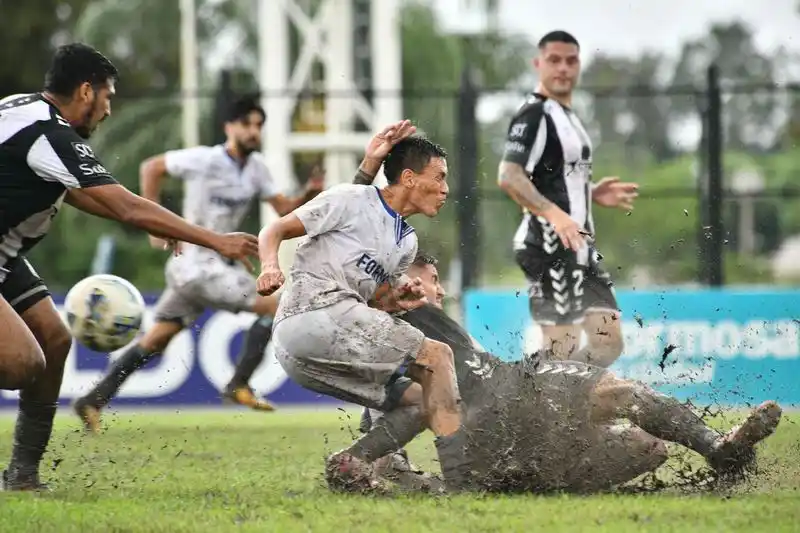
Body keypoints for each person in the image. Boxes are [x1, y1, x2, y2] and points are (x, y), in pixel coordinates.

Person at [0, 43, 258, 491]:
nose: (108, 110)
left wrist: (160, 223)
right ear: (86, 91)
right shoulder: (51, 134)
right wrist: (215, 239)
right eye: (108, 97)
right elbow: (126, 205)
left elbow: (80, 193)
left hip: (6, 254)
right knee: (22, 363)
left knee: (55, 340)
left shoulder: (21, 108)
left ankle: (22, 475)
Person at [342, 251, 782, 495]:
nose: (439, 288)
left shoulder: (432, 328)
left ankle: (718, 450)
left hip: (511, 400)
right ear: (398, 280)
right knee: (617, 394)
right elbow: (392, 412)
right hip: (498, 414)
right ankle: (714, 449)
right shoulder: (390, 327)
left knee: (647, 447)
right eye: (432, 278)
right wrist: (377, 467)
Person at [72, 96, 324, 430]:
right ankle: (239, 383)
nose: (253, 131)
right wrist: (153, 224)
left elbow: (282, 208)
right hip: (196, 264)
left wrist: (308, 193)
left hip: (202, 269)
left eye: (258, 125)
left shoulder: (257, 168)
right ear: (228, 127)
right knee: (275, 307)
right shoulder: (204, 159)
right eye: (246, 124)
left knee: (157, 339)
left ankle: (93, 399)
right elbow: (152, 167)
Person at [256, 121, 475, 492]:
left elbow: (373, 303)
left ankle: (351, 464)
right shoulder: (352, 198)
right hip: (311, 314)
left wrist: (395, 300)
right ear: (409, 178)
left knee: (420, 401)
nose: (445, 189)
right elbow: (273, 229)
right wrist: (269, 267)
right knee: (437, 358)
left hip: (307, 352)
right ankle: (463, 483)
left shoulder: (406, 243)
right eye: (439, 177)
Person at [497, 30, 639, 368]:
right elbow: (509, 175)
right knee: (561, 348)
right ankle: (515, 393)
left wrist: (590, 193)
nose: (563, 68)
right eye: (554, 60)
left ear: (578, 65)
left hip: (580, 246)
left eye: (571, 61)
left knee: (608, 343)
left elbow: (554, 180)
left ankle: (547, 387)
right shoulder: (535, 114)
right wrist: (556, 215)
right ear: (538, 64)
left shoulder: (568, 115)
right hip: (548, 246)